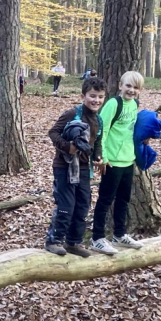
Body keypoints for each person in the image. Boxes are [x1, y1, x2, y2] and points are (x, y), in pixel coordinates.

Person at [45, 76, 106, 257]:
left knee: (82, 205)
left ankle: (73, 242)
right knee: (66, 205)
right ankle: (54, 240)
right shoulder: (73, 114)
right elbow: (53, 132)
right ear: (83, 96)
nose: (96, 100)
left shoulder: (99, 120)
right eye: (92, 96)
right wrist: (68, 147)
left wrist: (98, 157)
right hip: (65, 166)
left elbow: (97, 141)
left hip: (84, 168)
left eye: (100, 97)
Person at [90, 70, 145, 254]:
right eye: (128, 86)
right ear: (120, 86)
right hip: (111, 161)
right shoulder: (113, 104)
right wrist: (103, 157)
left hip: (128, 160)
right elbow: (102, 130)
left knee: (123, 199)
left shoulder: (134, 104)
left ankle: (119, 235)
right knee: (105, 200)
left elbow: (132, 131)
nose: (131, 90)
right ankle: (97, 238)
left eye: (136, 87)